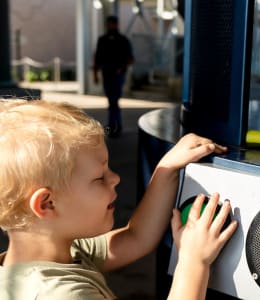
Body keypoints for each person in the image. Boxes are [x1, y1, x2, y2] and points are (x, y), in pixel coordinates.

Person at [0, 99, 238, 299]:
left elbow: (136, 237)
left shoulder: (62, 249)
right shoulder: (60, 294)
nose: (115, 178)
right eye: (99, 177)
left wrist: (167, 168)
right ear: (47, 204)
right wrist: (194, 261)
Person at [93, 16, 134, 138]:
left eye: (112, 24)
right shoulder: (103, 40)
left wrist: (121, 69)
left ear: (116, 25)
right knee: (112, 101)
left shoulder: (123, 40)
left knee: (114, 101)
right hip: (107, 74)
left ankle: (114, 126)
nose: (110, 26)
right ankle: (115, 125)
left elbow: (130, 58)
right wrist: (95, 74)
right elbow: (97, 58)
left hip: (118, 75)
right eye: (108, 24)